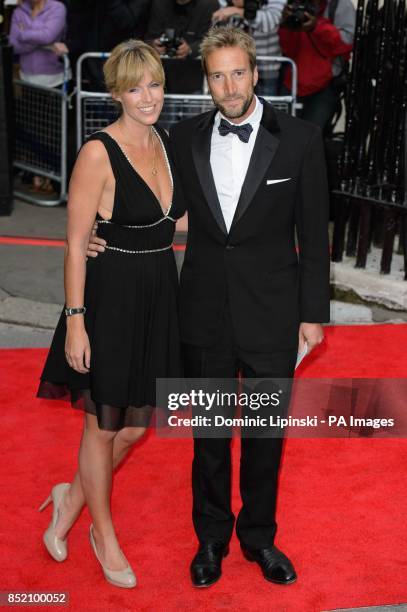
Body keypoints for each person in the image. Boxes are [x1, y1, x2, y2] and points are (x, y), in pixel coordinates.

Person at [88, 26, 330, 587]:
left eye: (237, 73)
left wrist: (312, 314)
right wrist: (99, 234)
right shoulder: (182, 138)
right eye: (217, 75)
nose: (228, 85)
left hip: (272, 312)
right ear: (207, 78)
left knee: (266, 437)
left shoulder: (299, 139)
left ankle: (260, 538)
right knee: (211, 437)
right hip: (201, 313)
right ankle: (212, 539)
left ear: (255, 71)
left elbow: (314, 237)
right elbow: (147, 206)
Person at [37, 39, 185, 588]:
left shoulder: (166, 143)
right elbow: (76, 244)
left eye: (155, 84)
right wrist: (76, 320)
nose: (148, 97)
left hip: (158, 295)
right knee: (102, 426)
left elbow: (171, 223)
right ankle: (103, 533)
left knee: (135, 427)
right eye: (134, 88)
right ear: (116, 93)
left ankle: (68, 498)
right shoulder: (99, 151)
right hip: (110, 298)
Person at [9, 0, 69, 194]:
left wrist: (24, 34)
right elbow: (13, 44)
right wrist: (42, 42)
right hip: (28, 79)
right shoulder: (19, 10)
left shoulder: (57, 7)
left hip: (54, 80)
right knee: (32, 129)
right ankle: (37, 175)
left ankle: (53, 177)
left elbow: (48, 35)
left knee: (52, 132)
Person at [279, 0, 355, 131]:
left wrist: (316, 27)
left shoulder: (339, 5)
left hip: (325, 86)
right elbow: (287, 49)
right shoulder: (293, 3)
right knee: (285, 136)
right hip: (292, 82)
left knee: (311, 138)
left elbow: (346, 43)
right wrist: (287, 24)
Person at [212, 0, 286, 96]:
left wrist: (237, 11)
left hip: (266, 66)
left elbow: (270, 22)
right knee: (234, 108)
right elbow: (214, 19)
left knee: (266, 109)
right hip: (231, 65)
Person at [145, 0, 219, 93]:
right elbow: (148, 37)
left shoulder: (209, 4)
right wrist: (154, 45)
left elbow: (214, 40)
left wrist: (191, 49)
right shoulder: (158, 3)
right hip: (162, 75)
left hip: (196, 75)